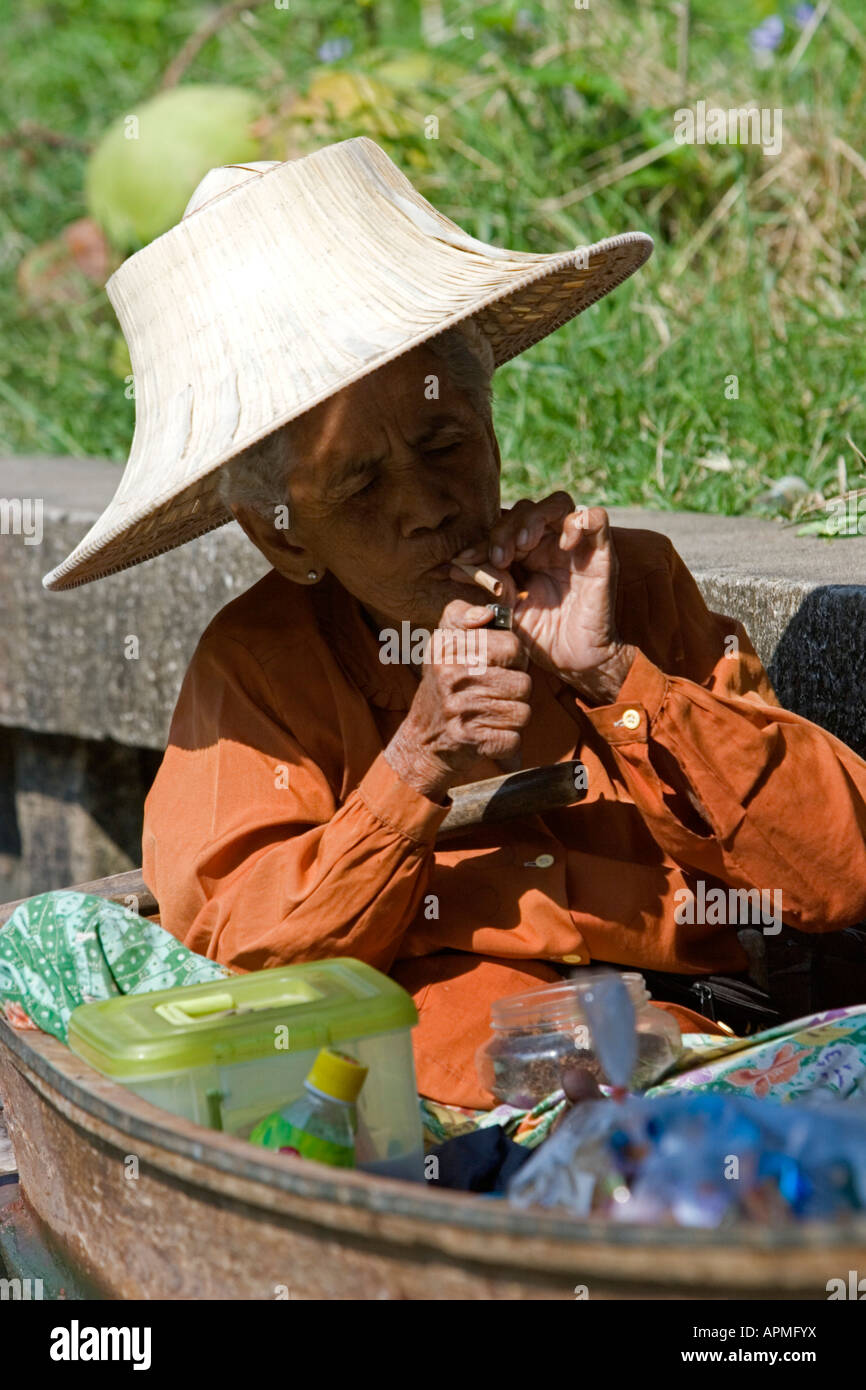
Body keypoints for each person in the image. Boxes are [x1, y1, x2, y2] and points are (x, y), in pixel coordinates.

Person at [44, 140, 866, 1108]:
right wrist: (417, 765)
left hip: (706, 1032)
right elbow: (256, 956)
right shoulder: (258, 660)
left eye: (446, 443)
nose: (429, 503)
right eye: (358, 484)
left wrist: (613, 678)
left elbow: (834, 873)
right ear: (282, 538)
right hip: (455, 1083)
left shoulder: (622, 586)